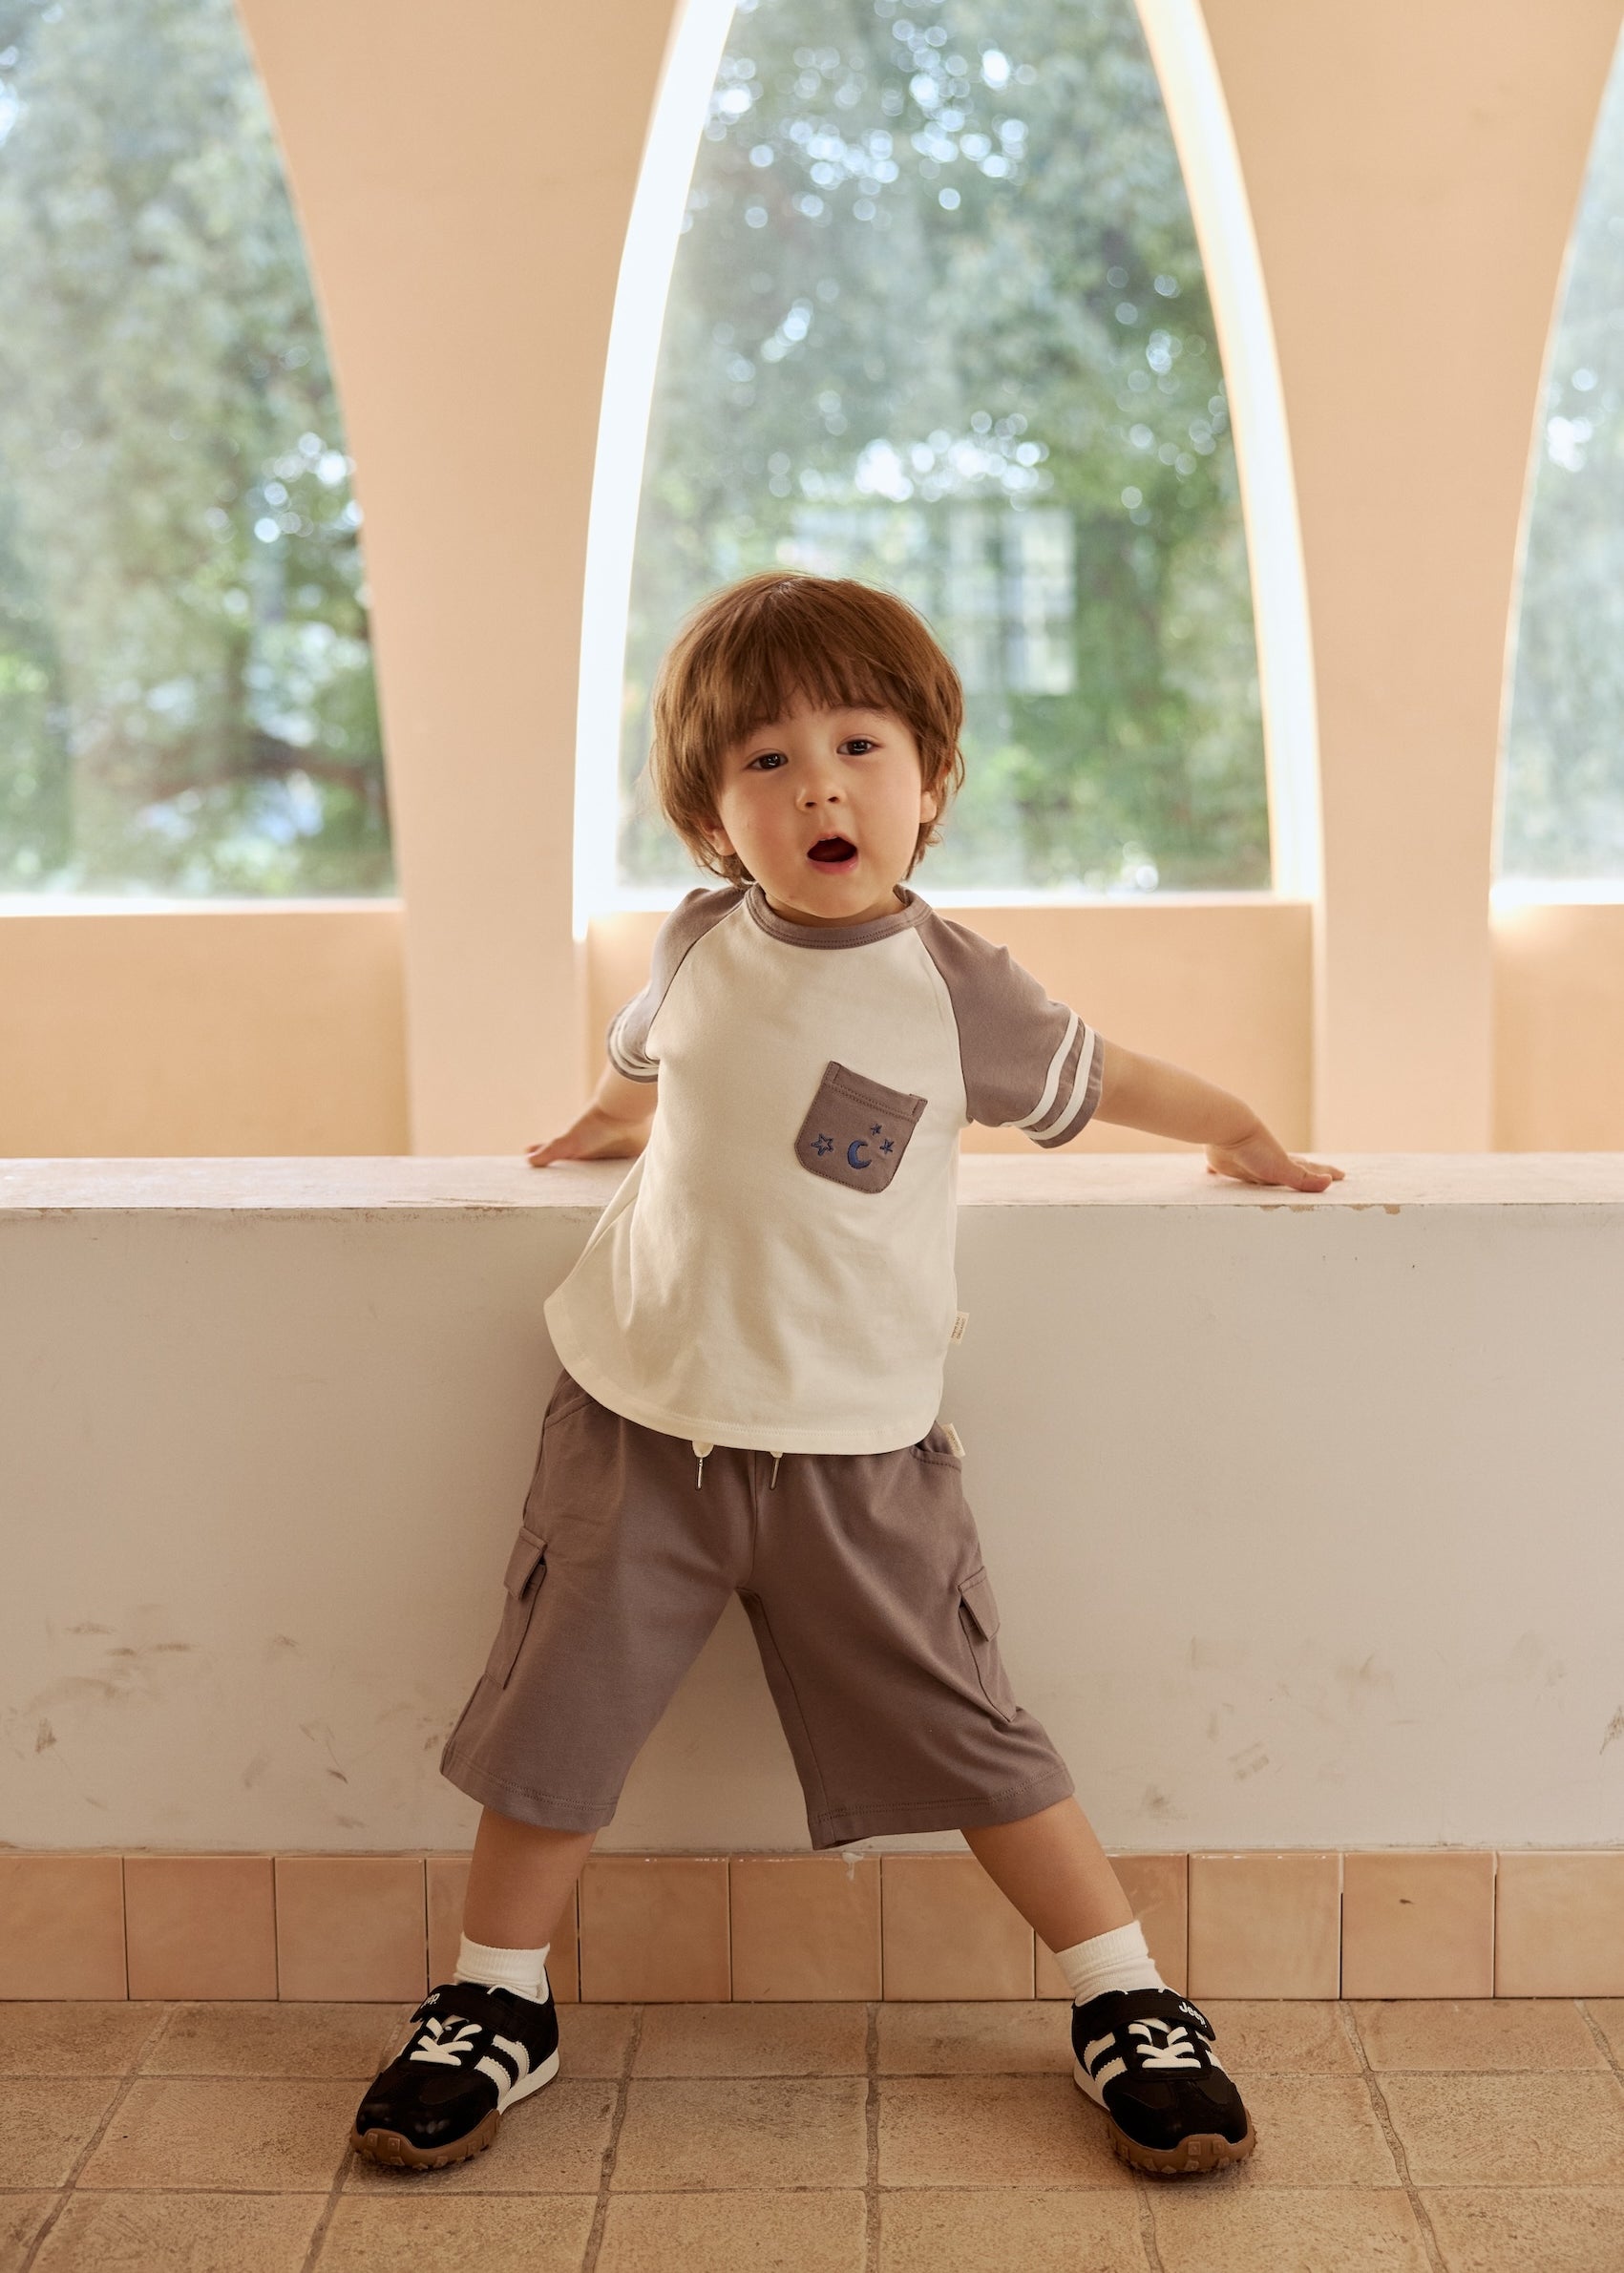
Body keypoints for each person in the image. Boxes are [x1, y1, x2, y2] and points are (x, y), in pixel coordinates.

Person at [350, 570, 1343, 2178]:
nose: (816, 780)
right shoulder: (690, 944)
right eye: (762, 757)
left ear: (926, 781)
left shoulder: (961, 992)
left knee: (975, 1730)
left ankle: (1126, 1997)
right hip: (634, 1427)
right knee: (556, 1722)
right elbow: (638, 1067)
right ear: (709, 820)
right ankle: (495, 1999)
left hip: (857, 1452)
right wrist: (598, 1127)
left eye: (858, 742)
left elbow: (1116, 1074)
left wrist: (1236, 1125)